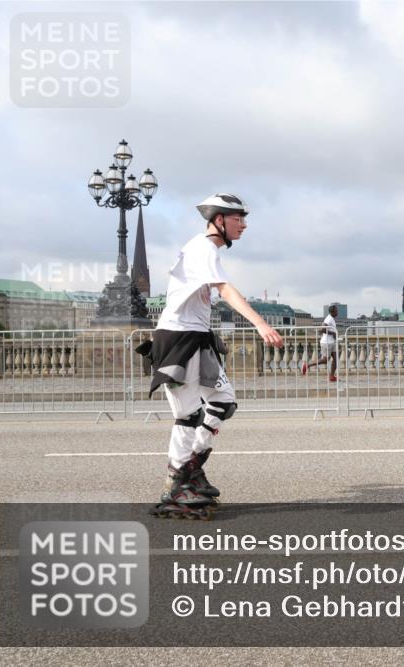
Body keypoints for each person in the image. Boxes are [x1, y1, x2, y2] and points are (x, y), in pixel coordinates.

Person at [137, 193, 284, 519]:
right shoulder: (202, 248)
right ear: (219, 219)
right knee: (188, 415)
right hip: (178, 338)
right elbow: (226, 289)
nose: (243, 225)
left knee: (223, 401)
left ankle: (191, 465)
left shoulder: (205, 249)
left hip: (197, 336)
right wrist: (260, 323)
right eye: (238, 218)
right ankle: (177, 480)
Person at [302, 303, 338, 381]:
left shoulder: (331, 318)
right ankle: (307, 365)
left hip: (332, 342)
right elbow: (322, 329)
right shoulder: (329, 319)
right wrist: (333, 333)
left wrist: (334, 334)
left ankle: (332, 376)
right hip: (326, 343)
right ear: (333, 311)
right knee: (325, 360)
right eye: (336, 311)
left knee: (335, 359)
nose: (337, 312)